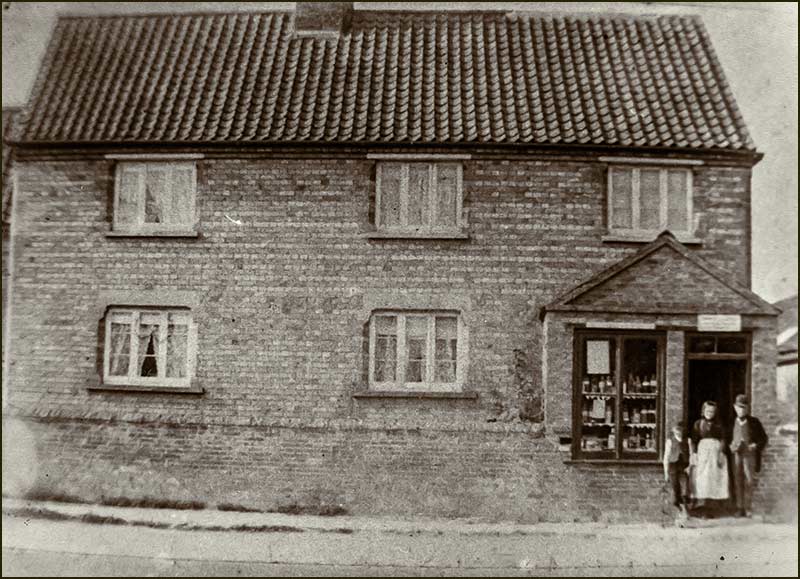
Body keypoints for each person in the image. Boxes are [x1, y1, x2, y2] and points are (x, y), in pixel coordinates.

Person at [730, 394, 769, 517]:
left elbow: (764, 438)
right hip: (736, 455)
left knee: (749, 480)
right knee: (737, 480)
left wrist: (755, 445)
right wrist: (731, 445)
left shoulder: (754, 422)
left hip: (749, 455)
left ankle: (747, 508)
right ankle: (739, 508)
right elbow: (725, 439)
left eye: (743, 407)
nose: (741, 410)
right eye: (739, 407)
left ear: (747, 408)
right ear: (734, 407)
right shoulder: (730, 422)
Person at [690, 401, 729, 516]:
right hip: (702, 452)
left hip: (715, 452)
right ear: (703, 411)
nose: (710, 413)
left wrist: (721, 453)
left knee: (714, 476)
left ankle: (713, 505)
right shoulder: (698, 424)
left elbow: (723, 439)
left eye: (712, 411)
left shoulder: (719, 424)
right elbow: (693, 440)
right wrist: (694, 453)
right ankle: (700, 504)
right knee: (702, 476)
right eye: (707, 411)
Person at [663, 420, 691, 514]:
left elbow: (691, 455)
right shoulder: (670, 441)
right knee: (675, 489)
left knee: (685, 489)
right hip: (673, 467)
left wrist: (690, 467)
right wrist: (666, 473)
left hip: (684, 467)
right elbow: (666, 457)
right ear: (673, 431)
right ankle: (678, 508)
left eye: (680, 431)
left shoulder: (688, 440)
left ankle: (685, 510)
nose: (679, 433)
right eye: (676, 431)